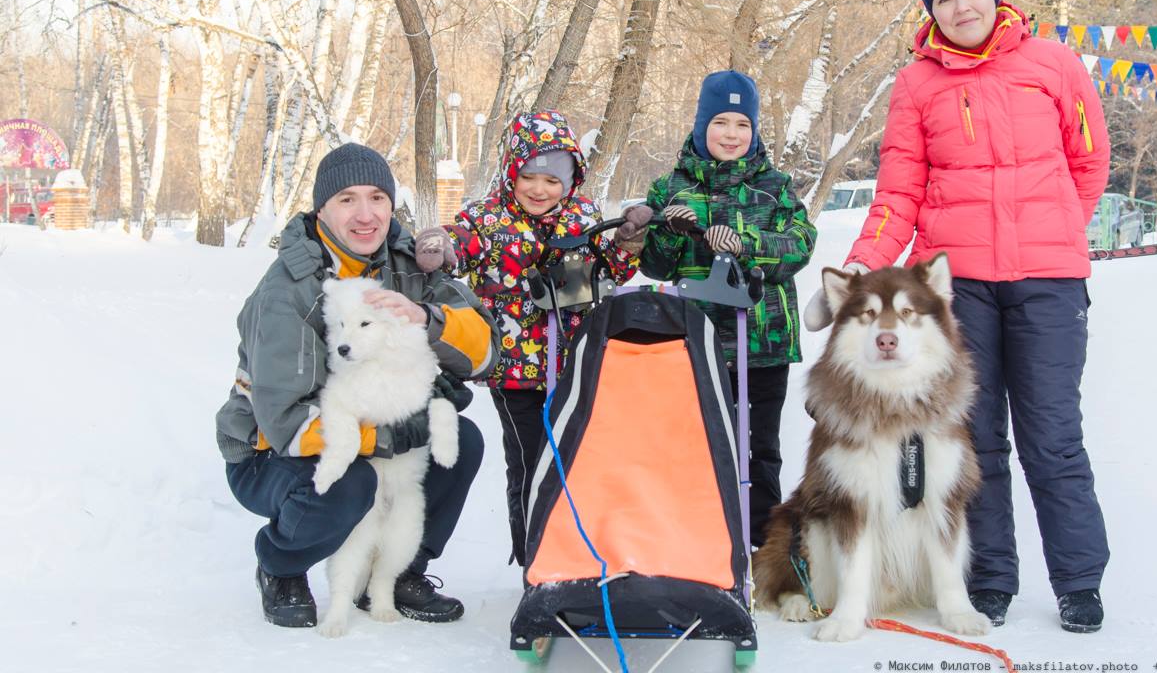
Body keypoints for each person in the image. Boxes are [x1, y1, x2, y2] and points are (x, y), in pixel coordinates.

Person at [809, 0, 1111, 633]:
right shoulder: (918, 83)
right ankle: (992, 578)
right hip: (959, 284)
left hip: (1048, 281)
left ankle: (1079, 580)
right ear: (930, 10)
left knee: (1054, 435)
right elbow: (898, 190)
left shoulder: (1055, 64)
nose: (961, 5)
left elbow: (1088, 164)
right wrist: (861, 264)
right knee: (977, 438)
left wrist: (1059, 229)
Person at [214, 143, 499, 628]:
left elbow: (487, 352)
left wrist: (429, 319)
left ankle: (397, 572)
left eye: (377, 198)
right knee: (351, 481)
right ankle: (280, 564)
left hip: (363, 426)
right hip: (269, 452)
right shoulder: (288, 291)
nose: (366, 215)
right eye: (347, 199)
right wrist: (386, 438)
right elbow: (285, 422)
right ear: (321, 209)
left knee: (461, 439)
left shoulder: (410, 266)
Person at [414, 110, 650, 566]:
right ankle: (534, 560)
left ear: (571, 180)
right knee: (529, 463)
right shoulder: (488, 217)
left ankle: (577, 554)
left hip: (576, 366)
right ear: (512, 171)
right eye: (529, 176)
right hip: (516, 371)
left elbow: (609, 272)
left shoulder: (582, 216)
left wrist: (628, 243)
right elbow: (460, 245)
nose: (540, 189)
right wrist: (440, 244)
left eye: (553, 180)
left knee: (576, 461)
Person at [639, 69, 816, 549]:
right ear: (701, 126)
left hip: (763, 344)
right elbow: (654, 267)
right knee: (699, 442)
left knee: (761, 449)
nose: (732, 135)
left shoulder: (774, 187)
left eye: (742, 124)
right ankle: (703, 543)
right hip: (696, 342)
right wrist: (669, 232)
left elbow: (799, 246)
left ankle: (765, 546)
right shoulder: (671, 187)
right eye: (721, 123)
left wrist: (746, 243)